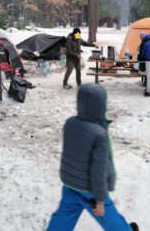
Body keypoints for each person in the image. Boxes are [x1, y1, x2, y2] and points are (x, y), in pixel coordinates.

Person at [47, 84, 139, 231]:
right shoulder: (99, 134)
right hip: (90, 190)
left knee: (63, 217)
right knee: (110, 218)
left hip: (70, 184)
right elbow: (98, 170)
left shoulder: (70, 123)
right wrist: (100, 199)